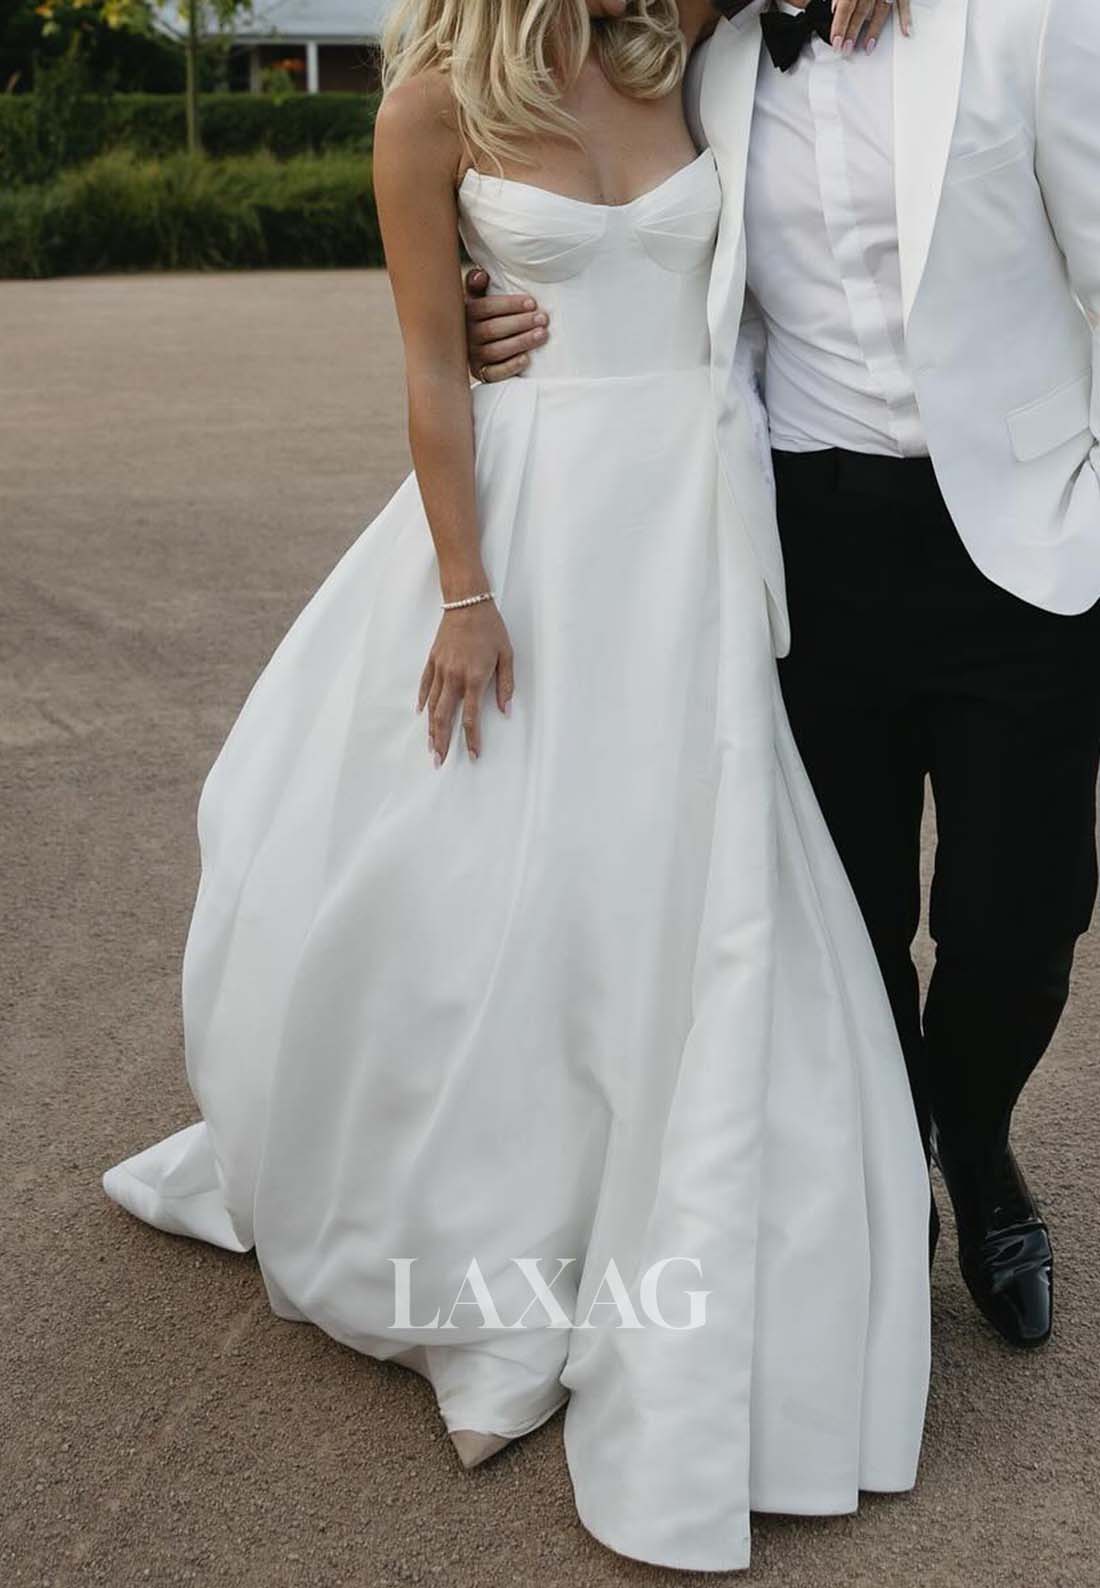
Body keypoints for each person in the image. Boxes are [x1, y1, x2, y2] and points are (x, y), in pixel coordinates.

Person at [101, 0, 931, 1572]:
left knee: (675, 881)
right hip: (536, 533)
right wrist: (466, 594)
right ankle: (494, 1246)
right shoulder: (426, 109)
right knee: (499, 883)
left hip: (686, 541)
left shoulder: (672, 44)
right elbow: (432, 369)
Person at [468, 0, 1100, 1353]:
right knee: (842, 921)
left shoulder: (1032, 22)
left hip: (1023, 545)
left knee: (1021, 917)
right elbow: (578, 191)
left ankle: (975, 1135)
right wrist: (490, 295)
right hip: (805, 553)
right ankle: (886, 1183)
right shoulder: (705, 57)